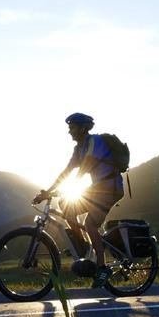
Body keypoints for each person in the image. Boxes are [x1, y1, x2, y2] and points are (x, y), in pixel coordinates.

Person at [34, 113, 125, 288]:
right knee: (66, 206)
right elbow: (67, 171)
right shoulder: (78, 149)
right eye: (69, 128)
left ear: (83, 128)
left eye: (72, 128)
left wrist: (71, 187)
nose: (70, 132)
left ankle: (102, 267)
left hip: (110, 188)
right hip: (99, 188)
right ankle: (83, 247)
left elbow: (86, 166)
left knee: (90, 224)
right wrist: (48, 191)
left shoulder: (94, 142)